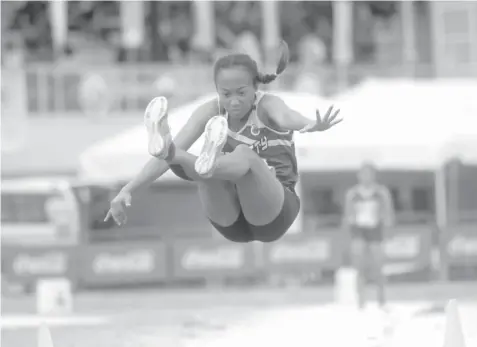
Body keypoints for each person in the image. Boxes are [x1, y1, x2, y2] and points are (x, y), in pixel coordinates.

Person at [105, 41, 342, 243]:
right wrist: (128, 189)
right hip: (230, 222)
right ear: (217, 90)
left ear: (255, 87)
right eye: (226, 94)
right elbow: (157, 162)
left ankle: (181, 155)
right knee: (201, 168)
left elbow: (287, 117)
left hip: (276, 212)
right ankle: (174, 151)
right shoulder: (210, 110)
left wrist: (309, 124)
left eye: (241, 92)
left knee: (243, 155)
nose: (234, 102)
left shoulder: (268, 105)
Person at [343, 162, 395, 309]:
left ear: (373, 175)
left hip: (375, 229)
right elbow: (347, 215)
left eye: (369, 174)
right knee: (360, 267)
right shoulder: (353, 193)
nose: (366, 177)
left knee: (378, 266)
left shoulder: (381, 192)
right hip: (359, 229)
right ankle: (361, 301)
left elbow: (388, 212)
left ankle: (381, 300)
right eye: (363, 174)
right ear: (359, 176)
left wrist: (387, 228)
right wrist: (350, 233)